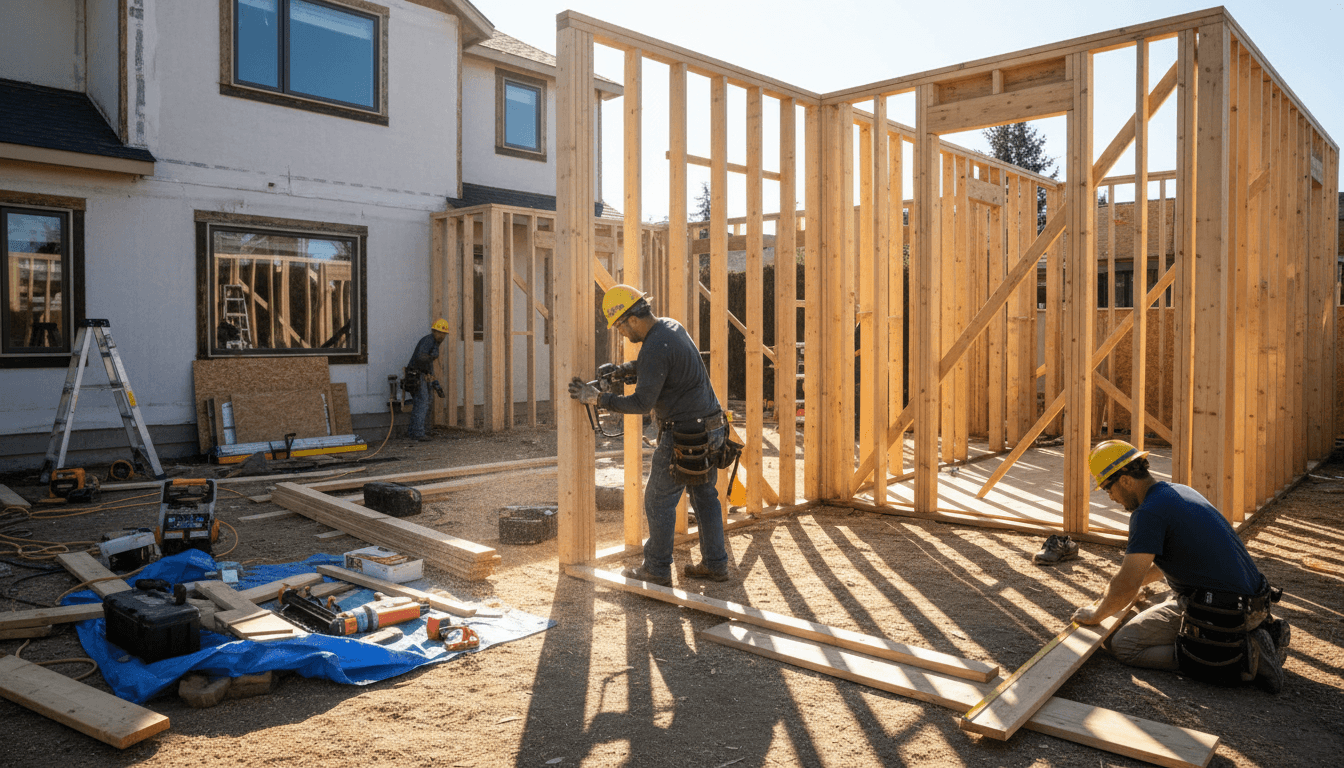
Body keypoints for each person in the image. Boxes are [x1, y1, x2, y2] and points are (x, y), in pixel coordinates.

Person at [1071, 439, 1289, 693]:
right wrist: (1133, 585)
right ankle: (1256, 631)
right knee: (1159, 598)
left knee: (1123, 644)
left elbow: (1126, 583)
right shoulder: (1178, 491)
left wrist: (1096, 615)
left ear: (1126, 480)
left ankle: (1243, 655)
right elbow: (1173, 563)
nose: (1111, 497)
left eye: (1108, 488)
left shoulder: (1148, 513)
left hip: (1221, 610)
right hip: (1251, 601)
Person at [568, 285, 732, 586]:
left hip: (685, 436)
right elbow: (661, 366)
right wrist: (624, 371)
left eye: (619, 327)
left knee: (658, 501)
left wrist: (598, 398)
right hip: (711, 428)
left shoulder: (655, 347)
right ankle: (716, 564)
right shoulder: (671, 328)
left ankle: (656, 569)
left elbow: (642, 404)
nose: (621, 334)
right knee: (706, 497)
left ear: (631, 319)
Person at [406, 319, 448, 441]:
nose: (442, 336)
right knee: (422, 402)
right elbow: (420, 357)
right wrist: (432, 357)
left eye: (444, 334)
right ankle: (418, 433)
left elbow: (429, 365)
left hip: (422, 375)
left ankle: (421, 431)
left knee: (427, 401)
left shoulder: (434, 343)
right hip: (416, 376)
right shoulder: (428, 340)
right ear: (434, 331)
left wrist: (436, 384)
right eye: (440, 333)